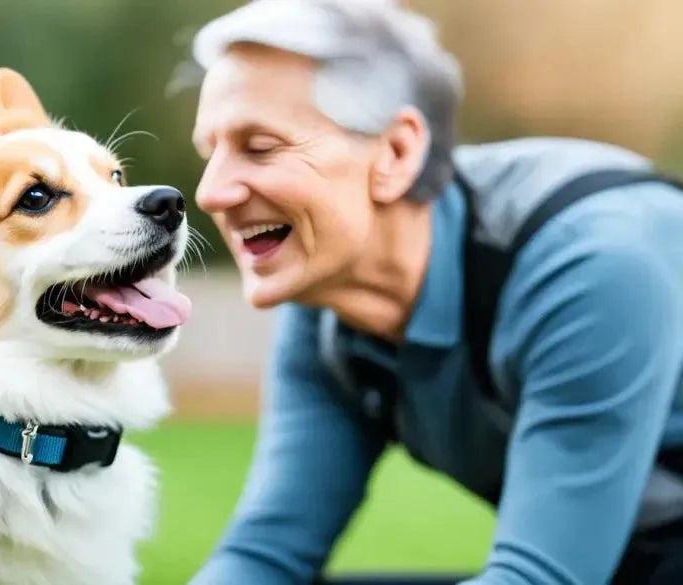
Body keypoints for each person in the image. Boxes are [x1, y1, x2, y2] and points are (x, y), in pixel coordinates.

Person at [183, 1, 683, 584]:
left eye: (261, 146)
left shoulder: (589, 260)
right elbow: (267, 554)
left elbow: (539, 578)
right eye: (208, 152)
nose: (211, 192)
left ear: (395, 153)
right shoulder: (326, 310)